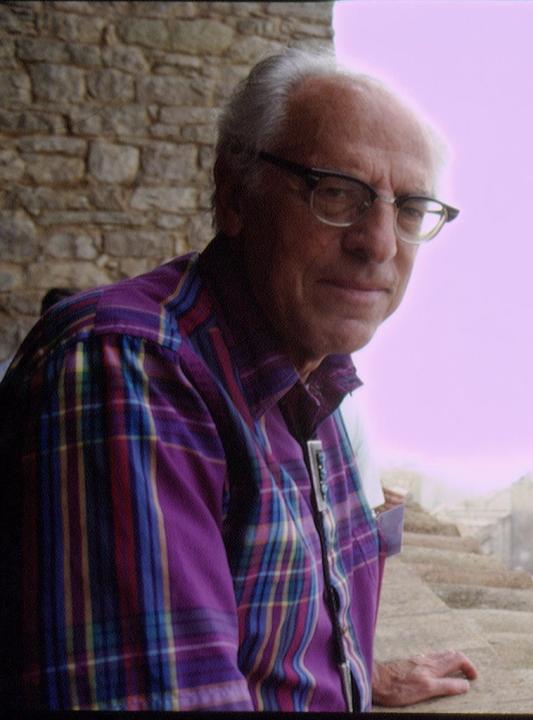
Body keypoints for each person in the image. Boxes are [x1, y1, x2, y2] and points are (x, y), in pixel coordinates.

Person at [0, 49, 477, 711]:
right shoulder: (128, 370)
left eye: (408, 208)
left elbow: (258, 627)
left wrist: (352, 677)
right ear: (234, 195)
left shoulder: (314, 382)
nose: (380, 244)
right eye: (337, 192)